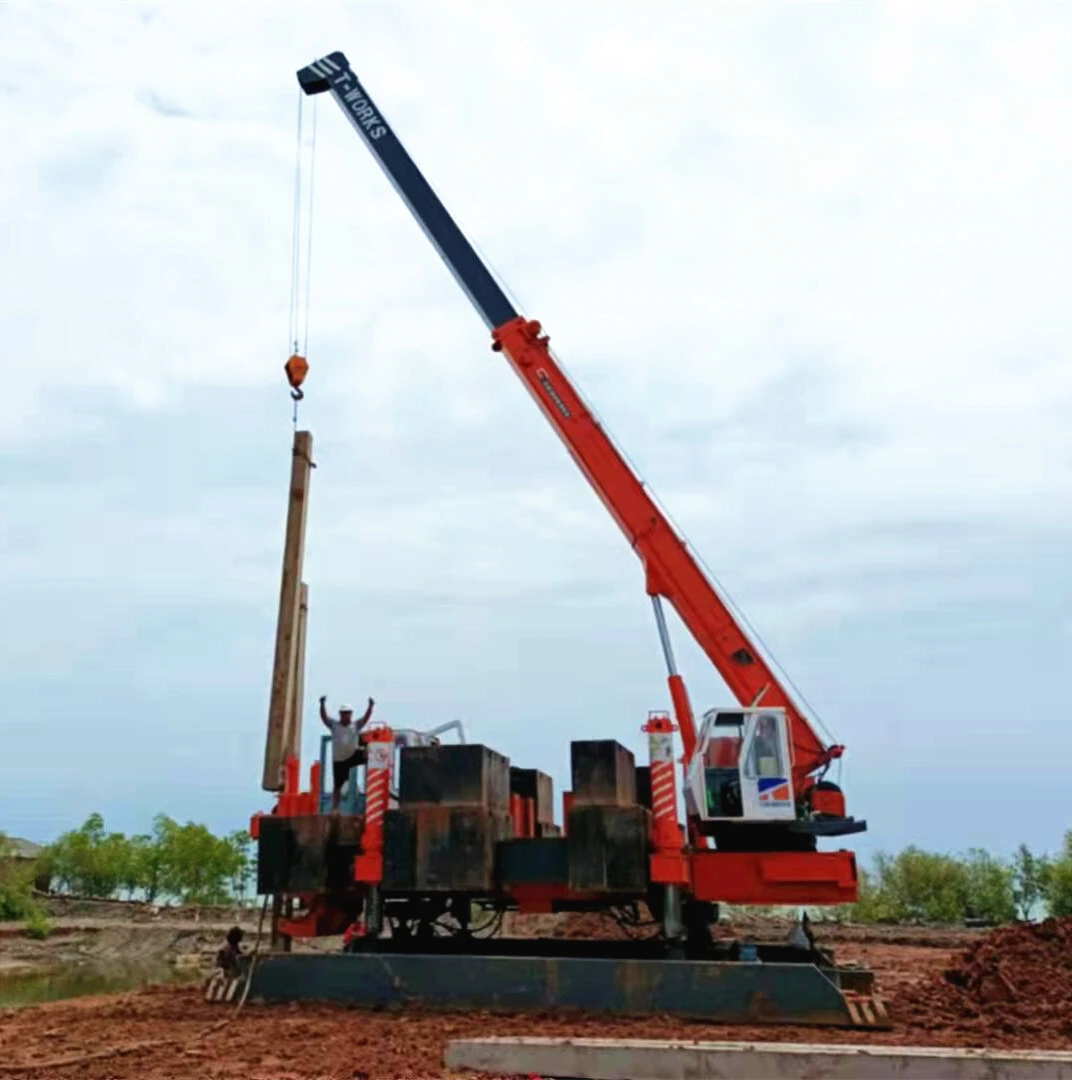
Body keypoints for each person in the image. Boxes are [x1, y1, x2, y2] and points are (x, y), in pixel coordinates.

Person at [320, 694, 375, 811]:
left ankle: (372, 785)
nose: (345, 715)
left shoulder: (355, 725)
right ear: (340, 715)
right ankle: (335, 808)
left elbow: (365, 718)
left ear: (351, 714)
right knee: (337, 786)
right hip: (339, 760)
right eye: (343, 713)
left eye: (347, 713)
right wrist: (322, 704)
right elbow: (324, 718)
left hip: (353, 755)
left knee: (369, 754)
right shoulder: (335, 725)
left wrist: (370, 706)